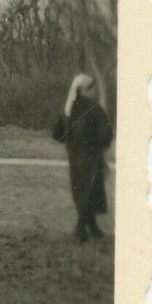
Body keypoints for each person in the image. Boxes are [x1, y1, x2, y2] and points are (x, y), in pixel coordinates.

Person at [52, 74, 114, 243]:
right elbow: (106, 133)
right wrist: (99, 145)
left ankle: (92, 229)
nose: (94, 91)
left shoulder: (68, 109)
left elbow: (57, 135)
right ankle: (80, 231)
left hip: (74, 158)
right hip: (91, 157)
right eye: (91, 87)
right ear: (85, 90)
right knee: (89, 192)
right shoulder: (94, 107)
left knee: (82, 192)